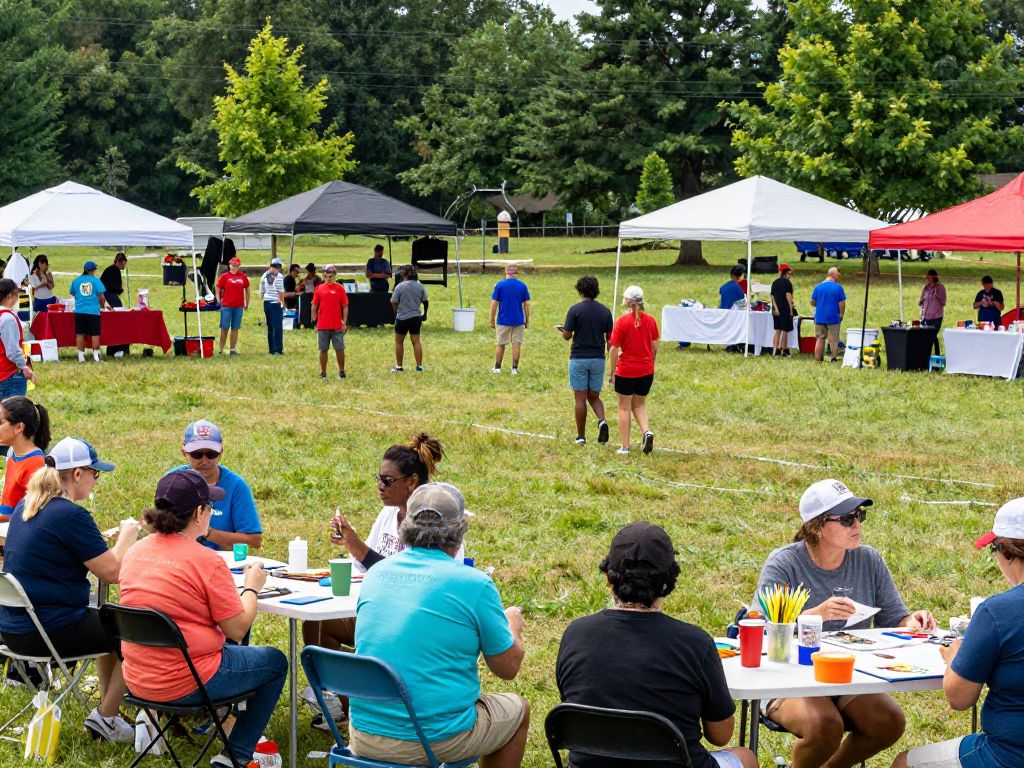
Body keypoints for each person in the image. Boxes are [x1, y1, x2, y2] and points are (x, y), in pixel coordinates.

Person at [755, 479, 937, 768]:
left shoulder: (868, 559)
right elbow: (761, 629)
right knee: (824, 726)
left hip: (848, 674)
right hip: (789, 676)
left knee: (889, 722)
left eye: (859, 516)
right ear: (815, 526)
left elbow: (894, 618)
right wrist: (814, 615)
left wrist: (912, 621)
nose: (857, 525)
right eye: (847, 519)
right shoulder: (784, 563)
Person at [349, 483, 529, 768]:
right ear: (460, 531)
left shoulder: (376, 574)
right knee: (518, 709)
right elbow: (507, 669)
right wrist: (513, 626)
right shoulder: (475, 583)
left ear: (404, 527)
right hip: (432, 739)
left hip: (365, 735)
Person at [118, 470, 287, 768]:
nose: (212, 513)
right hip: (190, 679)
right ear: (199, 512)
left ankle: (223, 729)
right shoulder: (205, 560)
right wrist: (252, 587)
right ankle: (237, 755)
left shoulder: (135, 552)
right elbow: (237, 629)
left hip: (138, 679)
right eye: (210, 507)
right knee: (274, 662)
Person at [557, 522, 757, 768]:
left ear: (609, 578)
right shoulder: (695, 643)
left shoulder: (575, 634)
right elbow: (720, 735)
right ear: (668, 582)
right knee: (745, 757)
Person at [0, 437, 140, 742]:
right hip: (49, 631)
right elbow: (112, 572)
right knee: (134, 632)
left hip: (12, 630)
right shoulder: (70, 515)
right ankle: (106, 716)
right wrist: (128, 535)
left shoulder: (28, 503)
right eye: (95, 474)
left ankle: (108, 709)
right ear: (78, 474)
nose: (95, 482)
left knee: (104, 622)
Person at [893, 498, 1024, 768]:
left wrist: (956, 656)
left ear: (1007, 552)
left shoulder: (997, 611)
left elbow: (959, 699)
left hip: (1008, 754)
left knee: (904, 762)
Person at [305, 433, 450, 651]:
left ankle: (365, 673)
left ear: (412, 482)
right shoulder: (388, 515)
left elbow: (407, 581)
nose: (380, 486)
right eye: (378, 478)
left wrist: (357, 545)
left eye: (387, 481)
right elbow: (363, 567)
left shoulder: (431, 525)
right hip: (378, 607)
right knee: (316, 626)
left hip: (407, 618)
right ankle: (352, 676)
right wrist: (351, 544)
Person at [170, 419, 262, 552]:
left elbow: (254, 540)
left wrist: (205, 532)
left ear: (221, 453)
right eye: (197, 454)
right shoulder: (172, 480)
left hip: (221, 560)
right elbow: (158, 525)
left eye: (211, 454)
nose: (204, 461)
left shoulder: (236, 486)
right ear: (184, 452)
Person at [560, 275, 612, 445]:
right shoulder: (605, 311)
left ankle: (581, 436)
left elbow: (567, 336)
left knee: (580, 398)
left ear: (580, 291)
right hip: (598, 358)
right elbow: (610, 339)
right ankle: (602, 420)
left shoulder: (575, 310)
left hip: (579, 358)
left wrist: (563, 331)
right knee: (594, 396)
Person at [608, 285, 658, 455]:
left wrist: (612, 371)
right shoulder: (651, 320)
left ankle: (625, 446)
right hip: (646, 370)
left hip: (626, 370)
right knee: (640, 404)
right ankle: (646, 432)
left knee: (624, 407)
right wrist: (651, 361)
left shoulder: (622, 321)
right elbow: (654, 345)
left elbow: (614, 349)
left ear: (627, 302)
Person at [0, 396, 51, 521]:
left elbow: (33, 513)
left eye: (1, 422)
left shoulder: (35, 464)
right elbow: (9, 504)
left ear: (19, 427)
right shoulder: (13, 455)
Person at [489, 264, 531, 375]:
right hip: (518, 320)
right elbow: (527, 304)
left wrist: (492, 318)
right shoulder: (522, 286)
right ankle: (514, 369)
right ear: (516, 273)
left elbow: (494, 304)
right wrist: (527, 319)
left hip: (503, 320)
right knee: (516, 344)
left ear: (506, 272)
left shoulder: (500, 285)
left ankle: (497, 368)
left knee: (501, 344)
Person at [312, 264, 349, 379]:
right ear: (324, 275)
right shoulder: (319, 288)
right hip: (323, 325)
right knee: (323, 349)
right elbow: (314, 305)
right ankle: (323, 373)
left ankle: (341, 372)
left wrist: (344, 321)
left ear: (335, 275)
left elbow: (345, 306)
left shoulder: (340, 288)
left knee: (340, 348)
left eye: (331, 274)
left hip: (337, 324)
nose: (329, 276)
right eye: (327, 274)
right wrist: (314, 321)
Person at [0, 279, 36, 398]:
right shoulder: (8, 319)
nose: (18, 297)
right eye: (16, 293)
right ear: (10, 295)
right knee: (14, 415)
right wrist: (24, 367)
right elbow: (12, 351)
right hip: (9, 375)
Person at [390, 264, 428, 372]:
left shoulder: (400, 286)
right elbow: (425, 301)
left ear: (403, 274)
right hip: (416, 317)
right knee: (416, 341)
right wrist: (425, 313)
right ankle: (419, 366)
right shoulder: (420, 286)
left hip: (402, 317)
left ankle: (399, 366)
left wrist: (395, 313)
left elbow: (393, 301)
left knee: (399, 342)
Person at [70, 260, 108, 363]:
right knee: (95, 334)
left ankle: (81, 357)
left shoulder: (76, 280)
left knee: (80, 333)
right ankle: (96, 356)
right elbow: (102, 298)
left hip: (80, 311)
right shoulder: (96, 281)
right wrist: (102, 306)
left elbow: (73, 293)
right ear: (92, 270)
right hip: (93, 311)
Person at [810, 266, 846, 363]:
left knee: (820, 339)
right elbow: (842, 302)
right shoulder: (838, 288)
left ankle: (818, 360)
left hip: (820, 317)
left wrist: (821, 303)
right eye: (838, 273)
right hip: (833, 316)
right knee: (833, 339)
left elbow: (812, 302)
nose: (839, 275)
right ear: (833, 275)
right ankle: (833, 358)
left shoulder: (818, 287)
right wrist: (841, 314)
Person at [215, 256, 250, 355]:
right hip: (226, 306)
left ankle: (232, 349)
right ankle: (221, 349)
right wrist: (218, 299)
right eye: (232, 264)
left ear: (239, 266)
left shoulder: (242, 276)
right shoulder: (225, 276)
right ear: (229, 265)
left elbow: (247, 289)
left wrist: (247, 302)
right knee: (224, 327)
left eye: (236, 265)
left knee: (235, 328)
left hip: (238, 306)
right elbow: (218, 287)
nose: (234, 266)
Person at [259, 258, 286, 355]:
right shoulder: (279, 276)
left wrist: (264, 296)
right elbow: (280, 292)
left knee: (270, 326)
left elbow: (261, 291)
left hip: (266, 302)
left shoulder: (264, 275)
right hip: (275, 303)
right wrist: (282, 303)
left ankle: (271, 349)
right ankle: (278, 349)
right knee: (278, 327)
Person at [918, 268, 947, 356]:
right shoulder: (926, 288)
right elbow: (921, 301)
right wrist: (921, 301)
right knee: (925, 336)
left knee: (932, 336)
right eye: (926, 278)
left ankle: (937, 355)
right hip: (925, 316)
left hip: (936, 317)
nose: (926, 279)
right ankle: (926, 354)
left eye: (928, 277)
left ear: (933, 277)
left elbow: (943, 302)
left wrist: (937, 294)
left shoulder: (940, 287)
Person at [771, 263, 796, 357]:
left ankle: (775, 351)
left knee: (777, 331)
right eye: (790, 274)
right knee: (785, 330)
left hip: (776, 309)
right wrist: (791, 310)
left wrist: (775, 308)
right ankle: (784, 350)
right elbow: (788, 296)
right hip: (785, 308)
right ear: (786, 273)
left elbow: (772, 296)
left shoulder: (775, 282)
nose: (791, 276)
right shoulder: (787, 283)